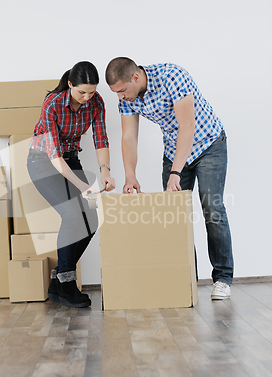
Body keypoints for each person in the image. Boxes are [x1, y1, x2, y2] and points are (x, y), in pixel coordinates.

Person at [105, 57, 233, 300]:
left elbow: (188, 126)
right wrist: (130, 175)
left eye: (121, 90)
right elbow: (129, 137)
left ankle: (223, 279)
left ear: (135, 77)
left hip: (208, 144)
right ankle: (186, 281)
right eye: (116, 93)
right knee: (174, 216)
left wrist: (175, 173)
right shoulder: (127, 97)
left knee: (212, 208)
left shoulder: (172, 77)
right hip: (174, 151)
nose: (120, 97)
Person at [27, 61, 115, 308]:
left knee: (92, 218)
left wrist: (105, 172)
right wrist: (83, 186)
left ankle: (58, 279)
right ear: (70, 85)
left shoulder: (96, 103)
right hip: (44, 162)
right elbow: (55, 157)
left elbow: (101, 138)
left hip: (70, 159)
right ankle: (67, 283)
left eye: (92, 92)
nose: (87, 98)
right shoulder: (53, 104)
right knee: (73, 215)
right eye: (81, 92)